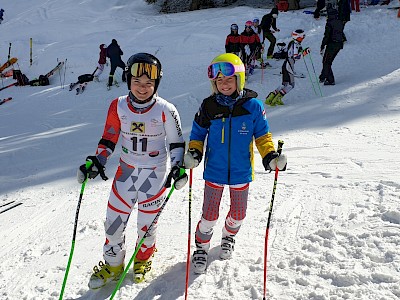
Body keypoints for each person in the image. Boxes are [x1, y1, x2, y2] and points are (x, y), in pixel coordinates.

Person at [77, 53, 188, 289]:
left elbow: (176, 143)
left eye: (149, 83)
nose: (142, 88)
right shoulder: (117, 106)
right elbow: (108, 139)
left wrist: (177, 168)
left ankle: (142, 259)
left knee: (147, 227)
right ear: (128, 80)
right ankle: (113, 265)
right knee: (113, 224)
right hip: (125, 174)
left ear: (156, 84)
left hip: (154, 175)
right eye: (137, 82)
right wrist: (97, 162)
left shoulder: (166, 109)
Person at [184, 53, 287, 274]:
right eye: (219, 80)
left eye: (229, 79)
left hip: (241, 170)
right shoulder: (208, 106)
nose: (224, 84)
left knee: (238, 214)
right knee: (209, 215)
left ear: (239, 79)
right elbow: (197, 133)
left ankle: (228, 237)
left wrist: (270, 156)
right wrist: (194, 152)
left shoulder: (253, 106)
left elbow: (262, 137)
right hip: (215, 171)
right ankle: (201, 248)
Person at [265, 29, 306, 106]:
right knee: (291, 84)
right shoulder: (296, 44)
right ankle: (277, 98)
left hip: (286, 64)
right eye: (302, 36)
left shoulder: (292, 42)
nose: (303, 38)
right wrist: (305, 53)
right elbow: (295, 57)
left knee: (285, 83)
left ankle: (270, 97)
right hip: (289, 64)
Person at [319, 8, 344, 85]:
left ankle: (330, 80)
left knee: (326, 62)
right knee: (328, 61)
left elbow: (326, 36)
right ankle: (323, 77)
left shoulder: (329, 23)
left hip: (332, 45)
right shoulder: (340, 21)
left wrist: (322, 45)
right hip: (339, 44)